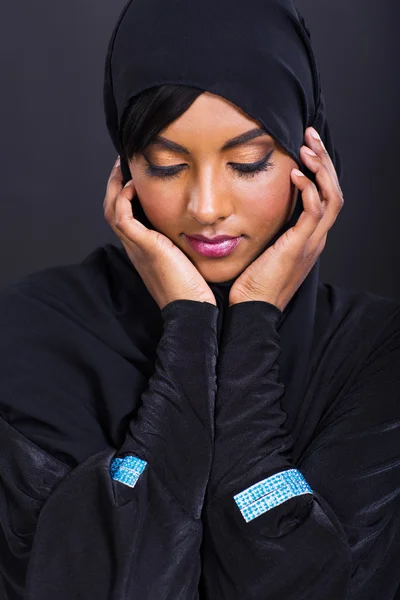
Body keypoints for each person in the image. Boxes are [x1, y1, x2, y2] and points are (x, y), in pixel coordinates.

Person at [1, 0, 399, 598]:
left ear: (309, 160)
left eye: (248, 162)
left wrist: (251, 327)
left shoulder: (379, 353)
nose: (206, 207)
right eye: (166, 166)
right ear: (126, 168)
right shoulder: (29, 335)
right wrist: (189, 330)